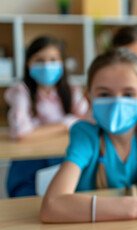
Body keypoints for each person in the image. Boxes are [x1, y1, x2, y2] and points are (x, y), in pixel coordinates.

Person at [40, 48, 137, 223]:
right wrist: (135, 207)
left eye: (128, 94)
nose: (117, 102)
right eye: (104, 94)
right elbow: (52, 206)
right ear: (89, 99)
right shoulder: (86, 136)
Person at [5, 36, 88, 197]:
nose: (46, 65)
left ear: (62, 64)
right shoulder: (20, 91)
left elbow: (87, 120)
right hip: (28, 164)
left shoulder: (71, 90)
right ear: (28, 64)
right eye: (39, 60)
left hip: (64, 159)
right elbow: (21, 132)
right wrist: (66, 124)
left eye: (53, 59)